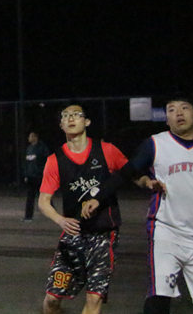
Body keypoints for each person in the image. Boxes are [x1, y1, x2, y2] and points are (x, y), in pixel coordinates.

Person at [38, 104, 129, 314]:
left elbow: (130, 172)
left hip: (103, 236)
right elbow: (43, 201)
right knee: (52, 299)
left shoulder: (107, 150)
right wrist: (60, 219)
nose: (71, 118)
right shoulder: (54, 160)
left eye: (76, 115)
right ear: (61, 125)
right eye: (65, 116)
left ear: (87, 122)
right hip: (73, 237)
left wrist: (147, 182)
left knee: (94, 298)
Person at [126, 96, 193, 314]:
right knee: (158, 297)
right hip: (166, 231)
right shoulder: (156, 143)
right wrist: (145, 181)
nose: (179, 113)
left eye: (184, 108)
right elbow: (129, 172)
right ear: (166, 119)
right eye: (171, 110)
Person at [23, 130, 49, 221]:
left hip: (39, 176)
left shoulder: (42, 148)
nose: (29, 138)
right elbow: (27, 163)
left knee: (44, 196)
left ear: (35, 137)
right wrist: (26, 174)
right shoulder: (29, 148)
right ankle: (28, 216)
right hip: (31, 176)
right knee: (30, 197)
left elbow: (47, 160)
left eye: (30, 136)